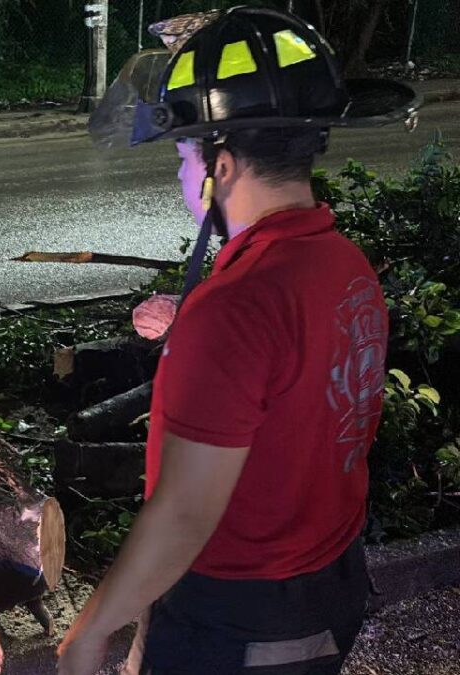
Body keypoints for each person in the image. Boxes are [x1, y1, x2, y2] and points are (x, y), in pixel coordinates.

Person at [57, 7, 419, 675]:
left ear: (220, 166)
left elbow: (185, 514)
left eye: (181, 154)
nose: (178, 176)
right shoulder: (346, 267)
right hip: (327, 591)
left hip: (240, 626)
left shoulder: (235, 307)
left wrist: (89, 629)